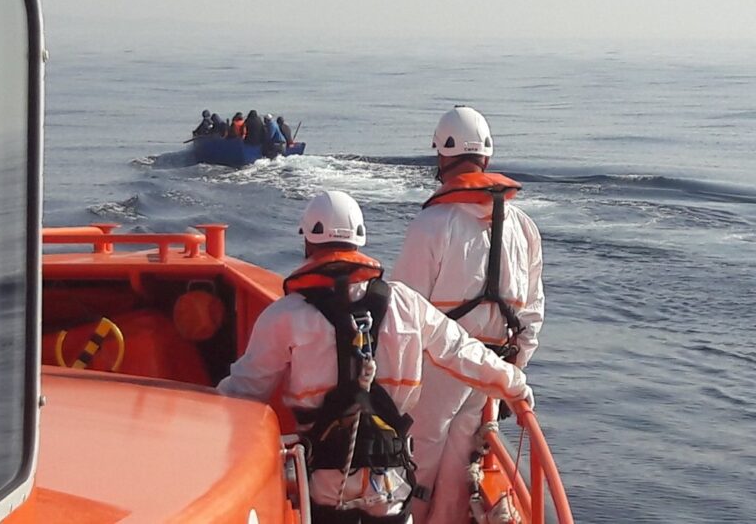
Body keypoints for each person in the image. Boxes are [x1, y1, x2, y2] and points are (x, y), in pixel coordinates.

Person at [218, 190, 534, 524]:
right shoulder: (406, 304)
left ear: (308, 243)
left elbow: (244, 391)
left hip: (325, 485)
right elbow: (461, 351)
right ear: (360, 242)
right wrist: (514, 386)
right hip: (391, 487)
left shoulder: (284, 316)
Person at [391, 105, 545, 524]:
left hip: (440, 365)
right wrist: (512, 373)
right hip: (493, 366)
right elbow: (532, 312)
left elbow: (402, 311)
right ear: (488, 159)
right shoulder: (524, 227)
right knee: (461, 463)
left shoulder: (432, 224)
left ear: (442, 157)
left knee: (417, 456)